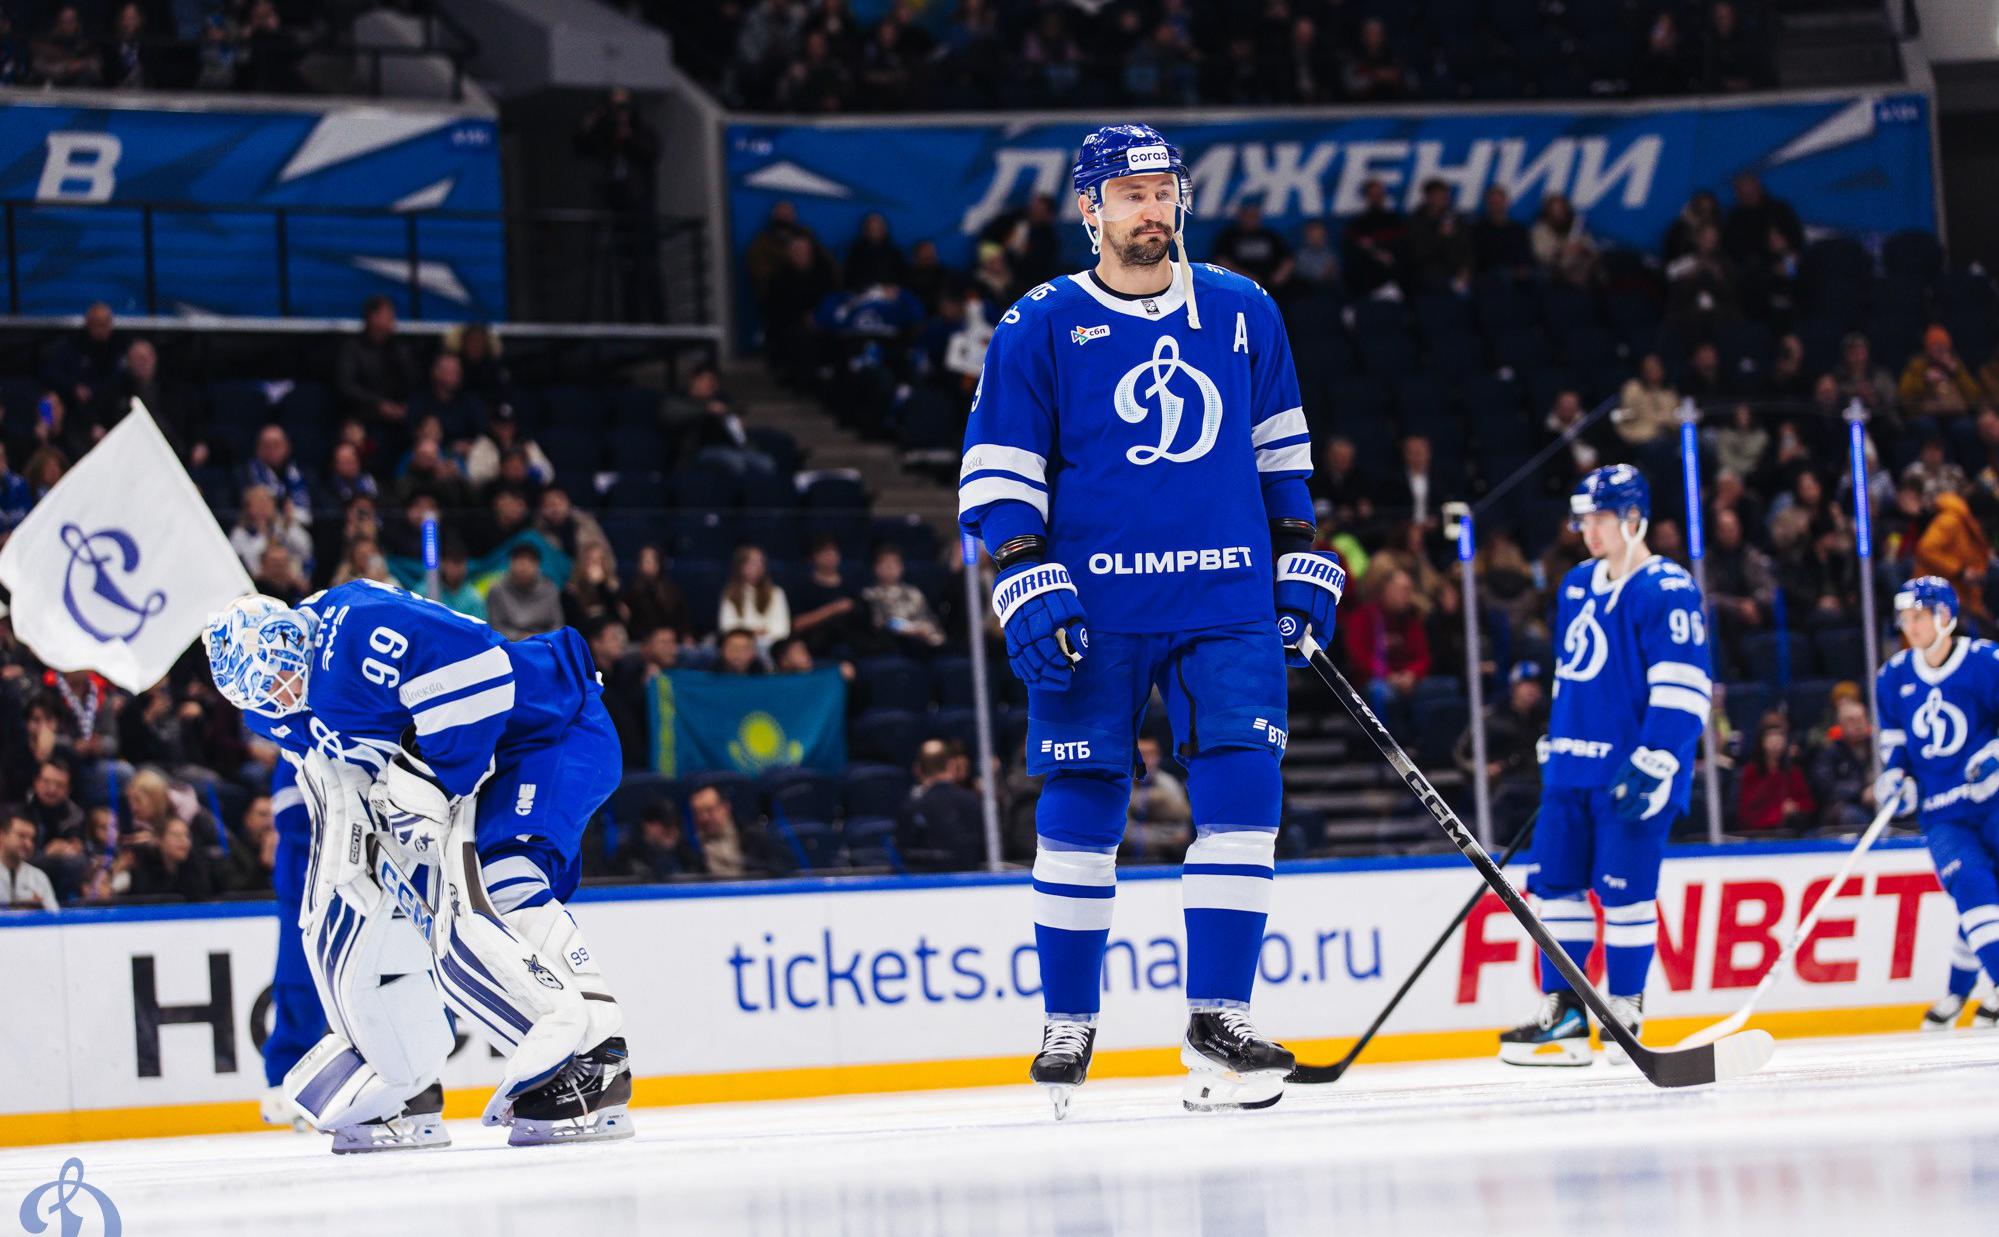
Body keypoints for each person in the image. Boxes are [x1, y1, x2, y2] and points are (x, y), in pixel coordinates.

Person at [957, 124, 1343, 1117]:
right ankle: (1069, 1019)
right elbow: (999, 474)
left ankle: (1219, 1017)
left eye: (1162, 190)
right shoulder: (1037, 323)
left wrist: (1300, 545)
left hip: (1225, 597)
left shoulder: (1244, 308)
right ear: (1088, 211)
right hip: (1100, 603)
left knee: (1245, 792)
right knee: (1083, 799)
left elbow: (1279, 451)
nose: (1151, 209)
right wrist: (1019, 567)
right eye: (1127, 195)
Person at [203, 583, 633, 1151]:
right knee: (395, 920)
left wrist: (428, 780)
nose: (282, 692)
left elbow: (481, 677)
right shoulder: (272, 712)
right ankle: (406, 1073)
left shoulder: (357, 629)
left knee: (504, 879)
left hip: (549, 731)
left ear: (291, 635)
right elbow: (342, 772)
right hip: (484, 770)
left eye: (282, 669)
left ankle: (597, 1062)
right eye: (263, 691)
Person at [1500, 465, 1711, 1067]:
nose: (1588, 530)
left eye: (1599, 518)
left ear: (1633, 519)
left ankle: (1625, 1008)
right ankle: (1565, 1016)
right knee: (1557, 891)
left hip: (1633, 772)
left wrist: (1658, 758)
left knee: (1625, 894)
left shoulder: (1667, 588)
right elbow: (1576, 675)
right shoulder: (1575, 585)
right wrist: (1559, 741)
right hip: (1571, 771)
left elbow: (1686, 684)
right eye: (1584, 519)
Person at [1875, 578, 1999, 1037]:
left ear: (1945, 615)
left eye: (1918, 616)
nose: (1910, 627)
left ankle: (1955, 992)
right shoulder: (1893, 677)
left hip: (1993, 801)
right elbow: (1897, 746)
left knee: (1988, 896)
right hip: (1943, 812)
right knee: (1970, 885)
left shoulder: (1986, 662)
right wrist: (1894, 777)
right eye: (1905, 619)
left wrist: (1995, 756)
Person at [896, 738, 985, 871]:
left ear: (917, 769)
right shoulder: (971, 800)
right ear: (950, 765)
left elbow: (904, 853)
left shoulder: (912, 806)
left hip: (925, 886)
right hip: (969, 884)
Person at [1738, 716, 1816, 833]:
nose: (1775, 742)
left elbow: (1808, 804)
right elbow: (1746, 812)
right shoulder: (1751, 772)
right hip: (1759, 833)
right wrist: (1778, 812)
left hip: (1789, 830)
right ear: (1762, 741)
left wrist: (1793, 807)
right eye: (1770, 737)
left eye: (1779, 737)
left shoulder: (1793, 772)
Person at [862, 543, 945, 651]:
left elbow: (928, 619)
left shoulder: (914, 592)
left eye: (895, 563)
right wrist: (910, 629)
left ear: (901, 567)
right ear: (876, 568)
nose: (890, 567)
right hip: (891, 644)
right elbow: (878, 624)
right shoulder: (869, 594)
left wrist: (927, 631)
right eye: (885, 563)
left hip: (921, 642)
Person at [486, 543, 564, 640]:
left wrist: (541, 639)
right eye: (518, 560)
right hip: (508, 645)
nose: (524, 567)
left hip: (544, 644)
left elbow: (557, 625)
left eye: (530, 561)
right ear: (510, 563)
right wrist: (519, 637)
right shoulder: (497, 590)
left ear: (538, 565)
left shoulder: (550, 589)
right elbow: (495, 626)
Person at [718, 544, 790, 649]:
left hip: (770, 646)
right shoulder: (730, 593)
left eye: (761, 562)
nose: (758, 566)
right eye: (752, 562)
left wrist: (759, 635)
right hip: (739, 646)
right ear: (740, 566)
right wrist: (752, 633)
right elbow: (727, 627)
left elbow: (783, 630)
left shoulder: (776, 592)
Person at [0, 811, 55, 910]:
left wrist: (39, 910)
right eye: (21, 836)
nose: (28, 844)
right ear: (2, 836)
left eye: (31, 839)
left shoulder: (38, 877)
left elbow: (54, 919)